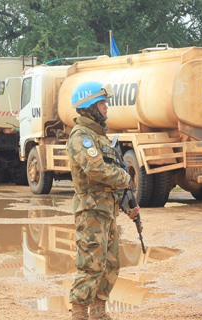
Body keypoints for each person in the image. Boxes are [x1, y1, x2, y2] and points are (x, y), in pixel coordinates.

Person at [66, 81, 140, 320]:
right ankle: (79, 313)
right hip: (91, 211)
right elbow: (96, 170)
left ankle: (99, 312)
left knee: (110, 265)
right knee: (91, 265)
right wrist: (125, 177)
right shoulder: (82, 136)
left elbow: (111, 177)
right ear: (89, 107)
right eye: (102, 103)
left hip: (107, 211)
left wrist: (127, 205)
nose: (106, 107)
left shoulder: (101, 137)